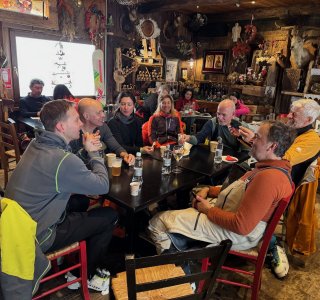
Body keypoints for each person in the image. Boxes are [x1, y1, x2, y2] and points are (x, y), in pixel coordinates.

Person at [3, 100, 118, 296]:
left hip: (14, 223)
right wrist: (95, 153)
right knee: (109, 216)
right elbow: (102, 186)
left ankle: (76, 256)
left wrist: (83, 152)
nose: (81, 123)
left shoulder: (36, 143)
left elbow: (65, 168)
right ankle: (84, 275)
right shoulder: (62, 160)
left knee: (81, 202)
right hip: (38, 235)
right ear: (61, 126)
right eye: (76, 119)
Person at [148, 121, 294, 254]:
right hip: (232, 219)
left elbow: (241, 226)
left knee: (157, 221)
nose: (252, 141)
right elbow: (241, 192)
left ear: (272, 146)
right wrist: (210, 191)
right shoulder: (271, 168)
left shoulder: (269, 178)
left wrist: (208, 210)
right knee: (195, 193)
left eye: (257, 137)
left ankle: (179, 269)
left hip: (236, 234)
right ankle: (186, 243)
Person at [237, 99, 320, 186]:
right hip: (268, 173)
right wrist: (252, 139)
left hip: (280, 184)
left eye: (294, 114)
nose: (288, 115)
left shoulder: (312, 140)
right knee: (238, 167)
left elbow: (282, 161)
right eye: (290, 112)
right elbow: (271, 149)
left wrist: (254, 139)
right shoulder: (292, 131)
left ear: (308, 119)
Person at [70, 98, 135, 165]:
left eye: (103, 111)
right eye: (98, 113)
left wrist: (126, 156)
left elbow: (116, 147)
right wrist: (86, 149)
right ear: (86, 116)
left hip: (99, 169)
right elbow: (70, 162)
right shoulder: (72, 132)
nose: (103, 115)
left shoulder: (102, 127)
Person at [180, 99, 249, 152]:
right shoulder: (213, 122)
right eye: (218, 114)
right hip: (215, 157)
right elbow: (199, 138)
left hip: (234, 160)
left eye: (224, 115)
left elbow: (246, 151)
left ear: (233, 115)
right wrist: (188, 138)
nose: (220, 117)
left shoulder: (241, 127)